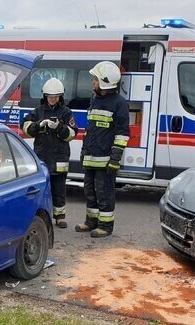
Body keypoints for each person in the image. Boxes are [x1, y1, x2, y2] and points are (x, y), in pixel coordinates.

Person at [74, 61, 129, 238]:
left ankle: (105, 226)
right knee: (89, 191)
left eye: (96, 80)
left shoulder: (119, 103)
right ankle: (91, 222)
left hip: (105, 159)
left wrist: (115, 159)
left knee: (104, 192)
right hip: (91, 156)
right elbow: (91, 130)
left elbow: (122, 133)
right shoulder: (95, 99)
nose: (93, 83)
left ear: (105, 82)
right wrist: (84, 152)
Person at [21, 78, 76, 228]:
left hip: (60, 156)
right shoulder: (38, 111)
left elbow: (72, 134)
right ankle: (42, 217)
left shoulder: (66, 112)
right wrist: (38, 125)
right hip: (42, 156)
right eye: (50, 97)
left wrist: (59, 127)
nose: (52, 100)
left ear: (60, 97)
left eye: (55, 97)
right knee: (42, 189)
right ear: (45, 96)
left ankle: (60, 217)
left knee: (59, 187)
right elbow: (25, 126)